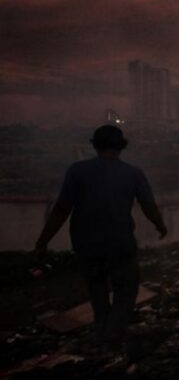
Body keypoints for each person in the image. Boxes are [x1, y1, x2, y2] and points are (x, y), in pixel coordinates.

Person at [33, 125, 167, 351]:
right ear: (120, 147)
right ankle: (112, 338)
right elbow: (148, 206)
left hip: (86, 245)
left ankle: (102, 332)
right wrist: (160, 225)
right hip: (120, 244)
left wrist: (43, 241)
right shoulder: (132, 173)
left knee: (97, 291)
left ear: (95, 145)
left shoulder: (77, 171)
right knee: (125, 291)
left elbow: (61, 210)